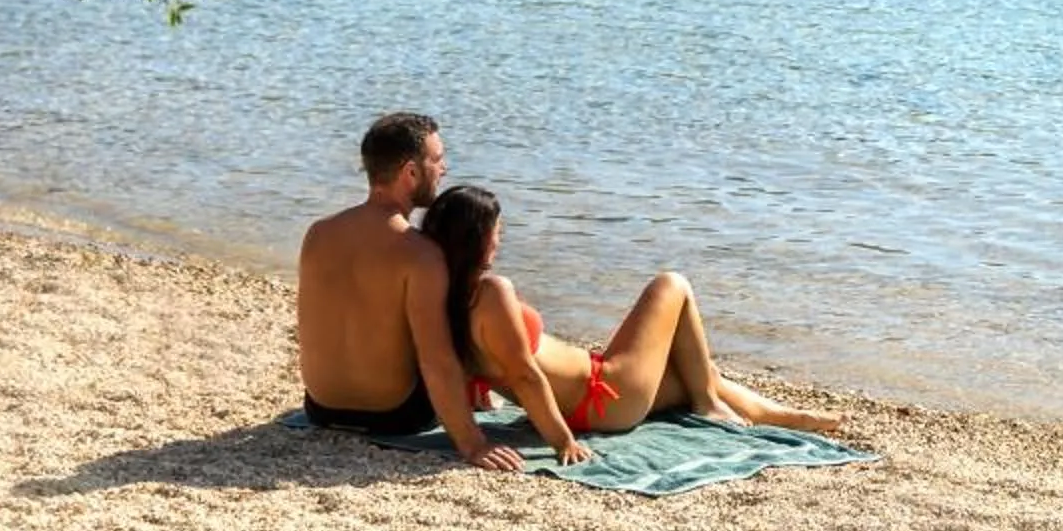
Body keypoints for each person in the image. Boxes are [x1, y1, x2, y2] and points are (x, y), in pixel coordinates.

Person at [420, 184, 843, 461]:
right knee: (671, 284)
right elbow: (526, 376)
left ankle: (787, 416)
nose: (500, 238)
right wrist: (562, 442)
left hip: (597, 398)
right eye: (497, 231)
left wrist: (477, 397)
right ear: (478, 238)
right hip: (606, 394)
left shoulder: (439, 298)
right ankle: (708, 405)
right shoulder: (492, 292)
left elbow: (474, 364)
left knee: (694, 369)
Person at [295, 113, 523, 471]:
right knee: (475, 310)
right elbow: (437, 360)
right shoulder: (420, 255)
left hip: (321, 408)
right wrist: (473, 443)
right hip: (395, 416)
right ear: (411, 172)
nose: (444, 169)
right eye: (437, 159)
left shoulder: (318, 234)